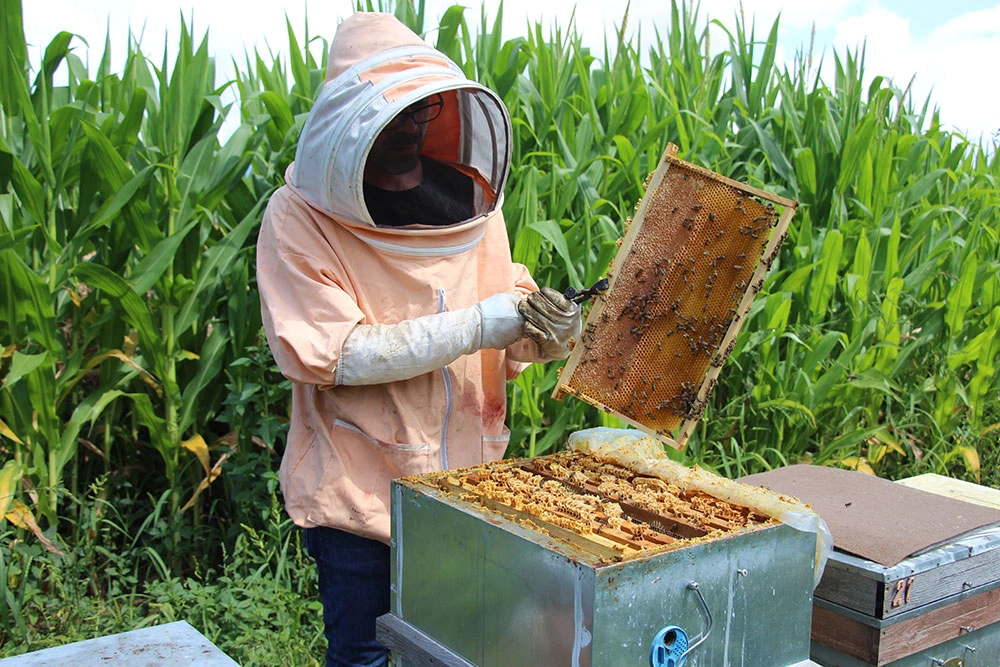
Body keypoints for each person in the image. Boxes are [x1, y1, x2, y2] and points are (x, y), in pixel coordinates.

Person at [255, 12, 582, 667]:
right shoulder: (299, 218)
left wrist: (551, 328)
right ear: (348, 123)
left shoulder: (469, 202)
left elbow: (509, 324)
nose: (409, 127)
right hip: (360, 496)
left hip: (465, 486)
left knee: (460, 650)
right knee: (366, 655)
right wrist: (483, 322)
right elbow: (332, 353)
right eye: (392, 113)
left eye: (420, 110)